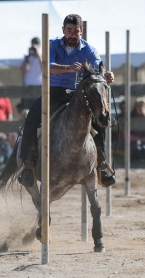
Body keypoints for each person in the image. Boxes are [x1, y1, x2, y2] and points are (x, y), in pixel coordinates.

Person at [19, 14, 116, 187]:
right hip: (53, 92)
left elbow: (97, 68)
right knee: (32, 119)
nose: (72, 35)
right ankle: (27, 164)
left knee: (100, 119)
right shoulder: (53, 45)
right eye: (69, 30)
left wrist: (106, 75)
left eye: (76, 31)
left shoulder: (89, 50)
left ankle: (102, 163)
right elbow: (46, 67)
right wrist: (68, 68)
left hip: (77, 93)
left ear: (81, 32)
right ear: (63, 30)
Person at [21, 37, 42, 109]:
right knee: (27, 109)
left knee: (39, 110)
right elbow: (24, 70)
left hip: (40, 88)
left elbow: (44, 68)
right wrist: (29, 56)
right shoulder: (27, 57)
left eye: (36, 44)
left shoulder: (42, 57)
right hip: (28, 88)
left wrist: (38, 54)